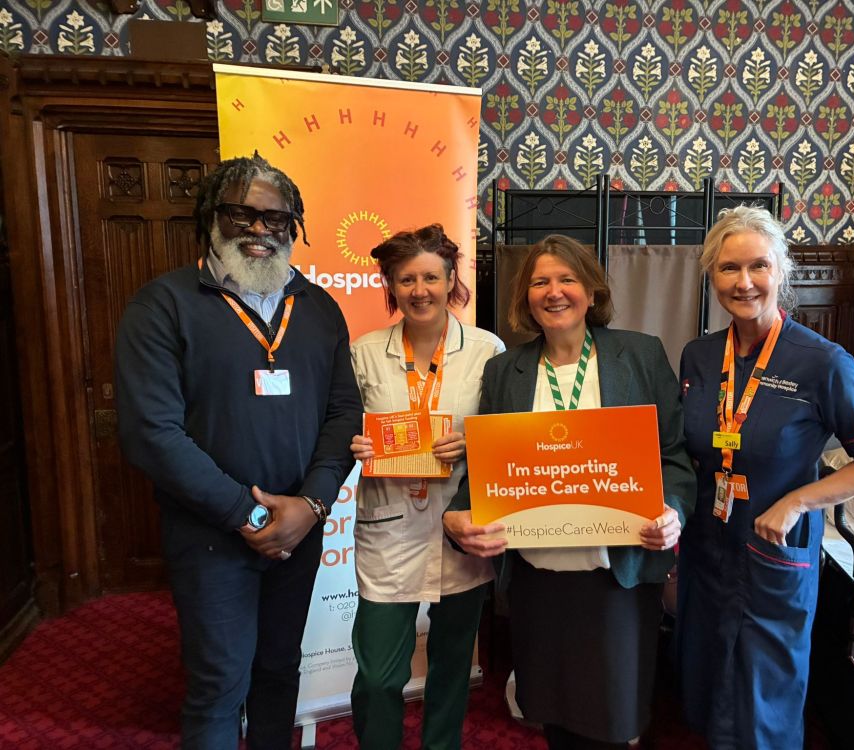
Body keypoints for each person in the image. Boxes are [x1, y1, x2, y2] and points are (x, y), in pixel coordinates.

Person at [114, 153, 362, 750]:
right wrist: (249, 515)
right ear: (210, 219)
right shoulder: (162, 305)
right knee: (218, 684)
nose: (259, 230)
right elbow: (152, 433)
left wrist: (310, 505)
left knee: (279, 672)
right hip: (210, 538)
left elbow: (343, 414)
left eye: (277, 219)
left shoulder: (320, 309)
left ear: (293, 228)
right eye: (241, 214)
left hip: (300, 534)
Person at [444, 234, 696, 750]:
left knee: (617, 721)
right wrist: (456, 517)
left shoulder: (640, 354)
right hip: (538, 581)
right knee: (552, 717)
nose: (553, 292)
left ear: (591, 289)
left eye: (567, 279)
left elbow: (673, 455)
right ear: (525, 295)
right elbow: (486, 468)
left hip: (616, 578)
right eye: (540, 281)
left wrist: (673, 510)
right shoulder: (504, 371)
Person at [675, 205, 854, 750]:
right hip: (709, 545)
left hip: (774, 550)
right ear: (711, 276)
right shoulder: (699, 357)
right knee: (706, 679)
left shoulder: (823, 362)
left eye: (758, 266)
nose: (743, 282)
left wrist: (800, 501)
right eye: (728, 269)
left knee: (764, 694)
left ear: (781, 272)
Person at [348, 224, 504, 750]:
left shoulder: (488, 350)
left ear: (451, 279)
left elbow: (508, 437)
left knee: (452, 669)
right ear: (391, 285)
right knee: (378, 676)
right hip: (388, 529)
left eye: (431, 277)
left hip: (461, 528)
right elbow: (339, 425)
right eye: (407, 279)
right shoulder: (364, 353)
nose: (420, 290)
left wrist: (474, 442)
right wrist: (356, 444)